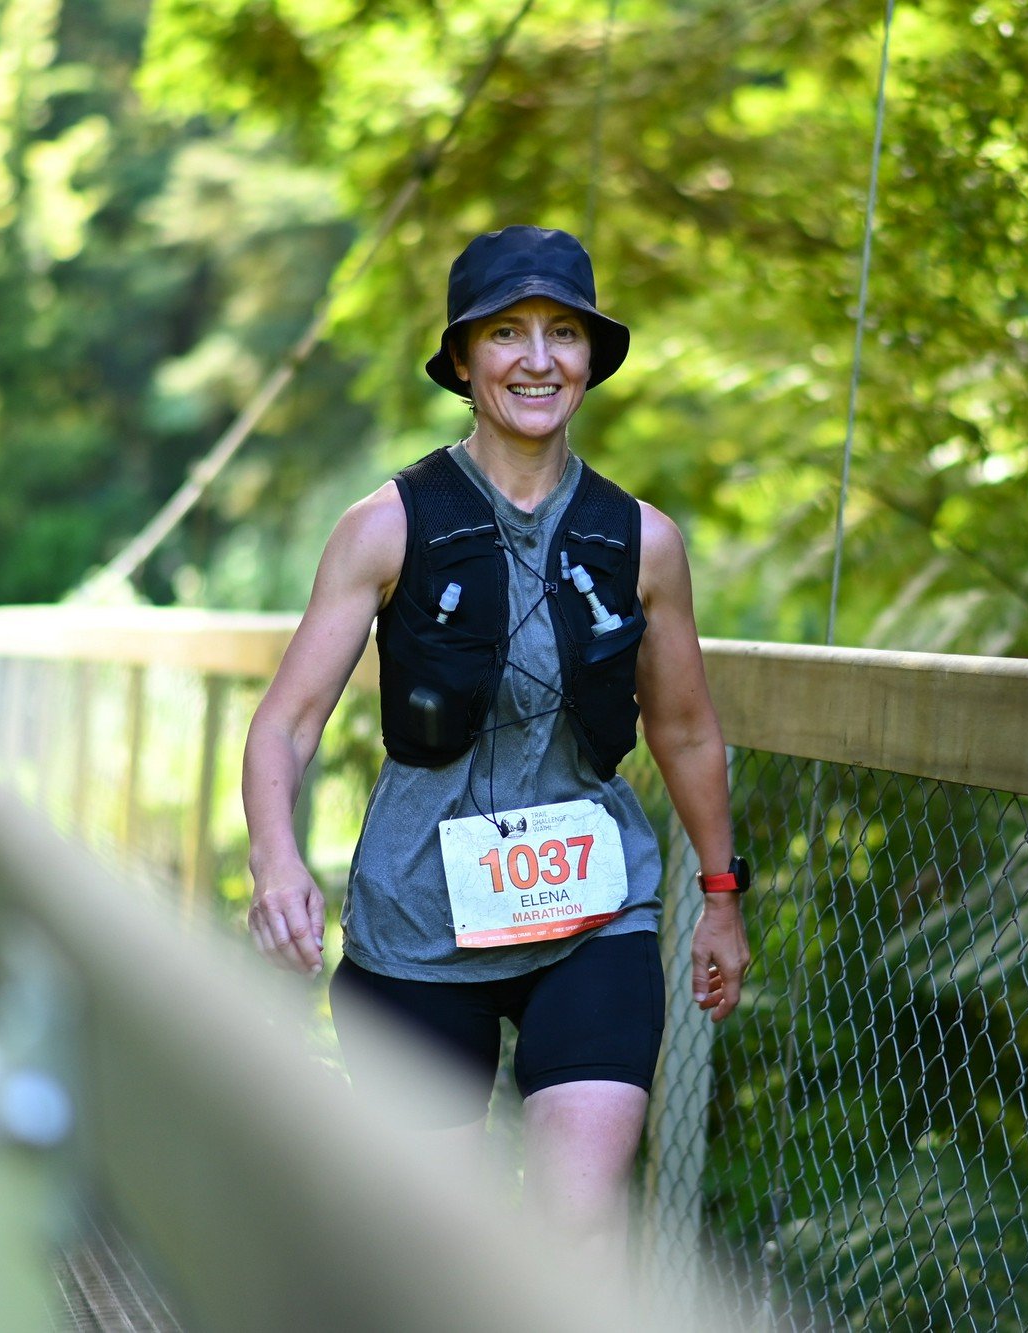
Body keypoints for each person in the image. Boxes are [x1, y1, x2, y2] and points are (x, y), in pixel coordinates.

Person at [241, 225, 750, 1276]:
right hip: (416, 920)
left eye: (562, 333)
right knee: (434, 1244)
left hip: (592, 912)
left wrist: (719, 893)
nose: (535, 358)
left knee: (572, 1222)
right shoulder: (384, 526)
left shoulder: (640, 541)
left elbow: (687, 727)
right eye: (506, 332)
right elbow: (287, 720)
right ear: (463, 359)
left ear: (589, 361)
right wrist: (273, 859)